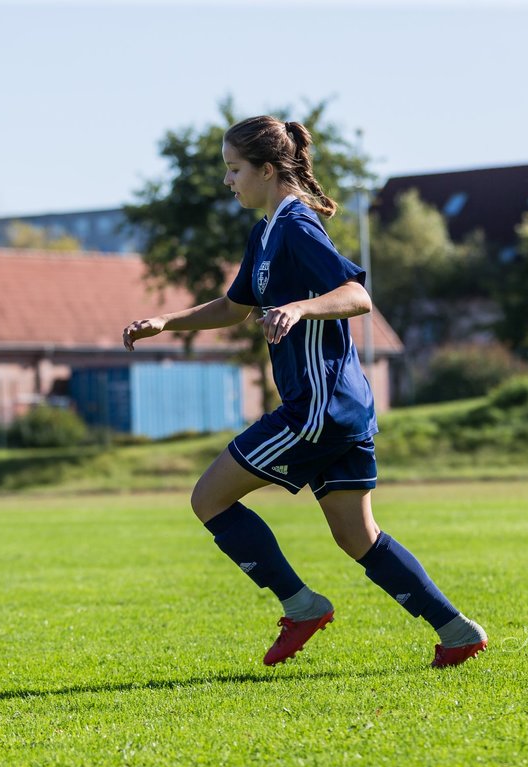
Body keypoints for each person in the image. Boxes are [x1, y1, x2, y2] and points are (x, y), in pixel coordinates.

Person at [122, 115, 487, 668]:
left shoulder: (295, 226)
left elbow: (356, 297)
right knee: (356, 535)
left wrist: (299, 307)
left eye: (234, 169)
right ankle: (456, 630)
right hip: (340, 408)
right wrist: (165, 323)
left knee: (209, 498)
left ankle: (302, 606)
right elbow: (234, 307)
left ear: (268, 170)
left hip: (316, 408)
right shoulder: (266, 230)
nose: (229, 182)